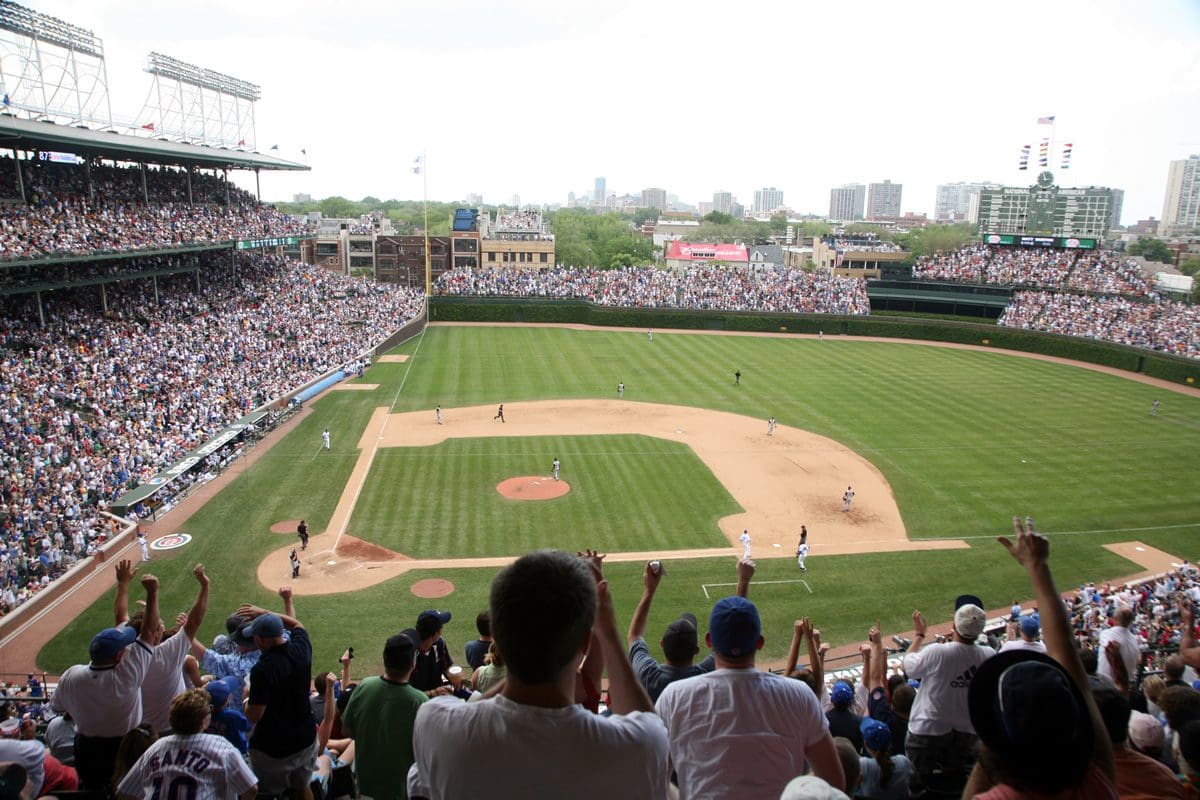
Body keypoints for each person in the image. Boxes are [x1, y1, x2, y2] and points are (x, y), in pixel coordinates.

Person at [409, 549, 670, 798]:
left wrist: (522, 658)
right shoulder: (637, 748)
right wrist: (607, 629)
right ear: (585, 642)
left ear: (496, 637)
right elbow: (650, 729)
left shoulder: (434, 724)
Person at [962, 515, 1117, 798]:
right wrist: (1038, 567)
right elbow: (1067, 654)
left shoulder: (1101, 776)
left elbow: (1067, 655)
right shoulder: (1096, 782)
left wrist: (1037, 565)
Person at [656, 592, 845, 797]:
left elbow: (651, 781)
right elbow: (834, 782)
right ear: (760, 642)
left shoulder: (673, 698)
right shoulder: (801, 695)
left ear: (709, 641)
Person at [50, 573, 159, 793]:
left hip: (86, 748)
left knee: (93, 790)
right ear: (119, 655)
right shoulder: (127, 675)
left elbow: (56, 707)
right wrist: (152, 592)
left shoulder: (72, 675)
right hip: (126, 746)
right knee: (130, 790)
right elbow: (148, 632)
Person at [901, 594, 994, 794]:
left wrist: (919, 636)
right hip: (966, 731)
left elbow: (908, 667)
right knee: (951, 779)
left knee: (916, 781)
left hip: (928, 728)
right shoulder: (988, 655)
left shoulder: (938, 651)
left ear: (954, 625)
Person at [239, 588, 317, 800]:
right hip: (306, 737)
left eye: (256, 637)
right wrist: (266, 613)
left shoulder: (262, 670)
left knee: (268, 793)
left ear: (263, 640)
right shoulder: (302, 648)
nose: (255, 641)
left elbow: (254, 715)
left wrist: (246, 698)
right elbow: (297, 625)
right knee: (303, 786)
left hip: (274, 747)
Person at [626, 559, 741, 702]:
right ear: (696, 650)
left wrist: (649, 590)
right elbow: (732, 635)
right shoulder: (705, 677)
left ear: (662, 644)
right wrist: (743, 581)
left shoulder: (649, 676)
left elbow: (635, 635)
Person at [115, 689, 257, 800]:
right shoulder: (220, 746)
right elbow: (251, 789)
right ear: (203, 722)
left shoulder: (156, 747)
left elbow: (123, 792)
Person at [340, 631, 427, 800]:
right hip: (401, 791)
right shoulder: (419, 701)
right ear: (413, 664)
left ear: (385, 659)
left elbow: (347, 730)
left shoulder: (365, 686)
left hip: (366, 789)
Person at [858, 718, 914, 800]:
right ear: (889, 744)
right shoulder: (903, 761)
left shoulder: (864, 765)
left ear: (865, 744)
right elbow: (915, 782)